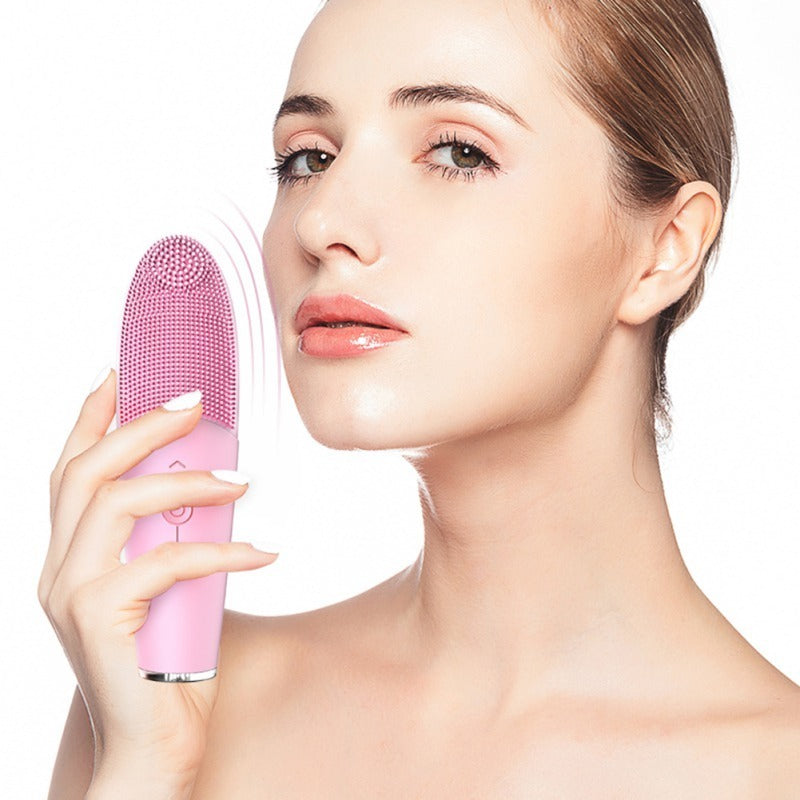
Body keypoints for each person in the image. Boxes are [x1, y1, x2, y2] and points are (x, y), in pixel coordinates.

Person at [41, 0, 800, 796]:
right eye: (308, 158)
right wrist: (143, 767)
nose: (321, 222)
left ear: (665, 249)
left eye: (459, 152)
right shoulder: (170, 707)